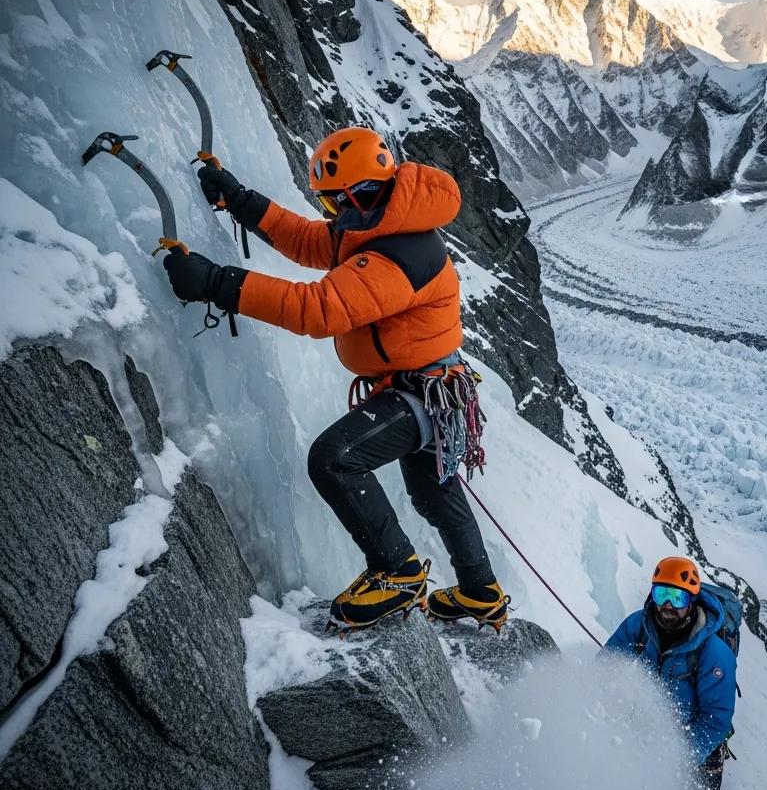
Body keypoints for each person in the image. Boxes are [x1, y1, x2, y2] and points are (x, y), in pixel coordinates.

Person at [162, 126, 508, 632]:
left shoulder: (401, 254)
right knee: (435, 493)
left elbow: (319, 310)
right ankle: (481, 593)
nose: (335, 217)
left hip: (419, 392)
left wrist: (218, 283)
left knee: (335, 460)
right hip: (434, 390)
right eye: (331, 208)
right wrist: (241, 201)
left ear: (356, 195)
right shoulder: (384, 218)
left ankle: (398, 572)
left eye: (336, 204)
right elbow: (312, 242)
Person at [604, 556, 741, 790]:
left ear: (692, 601)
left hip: (697, 752)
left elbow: (716, 719)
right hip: (643, 733)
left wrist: (677, 756)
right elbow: (607, 667)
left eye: (677, 597)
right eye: (661, 594)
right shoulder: (636, 626)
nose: (667, 605)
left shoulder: (713, 653)